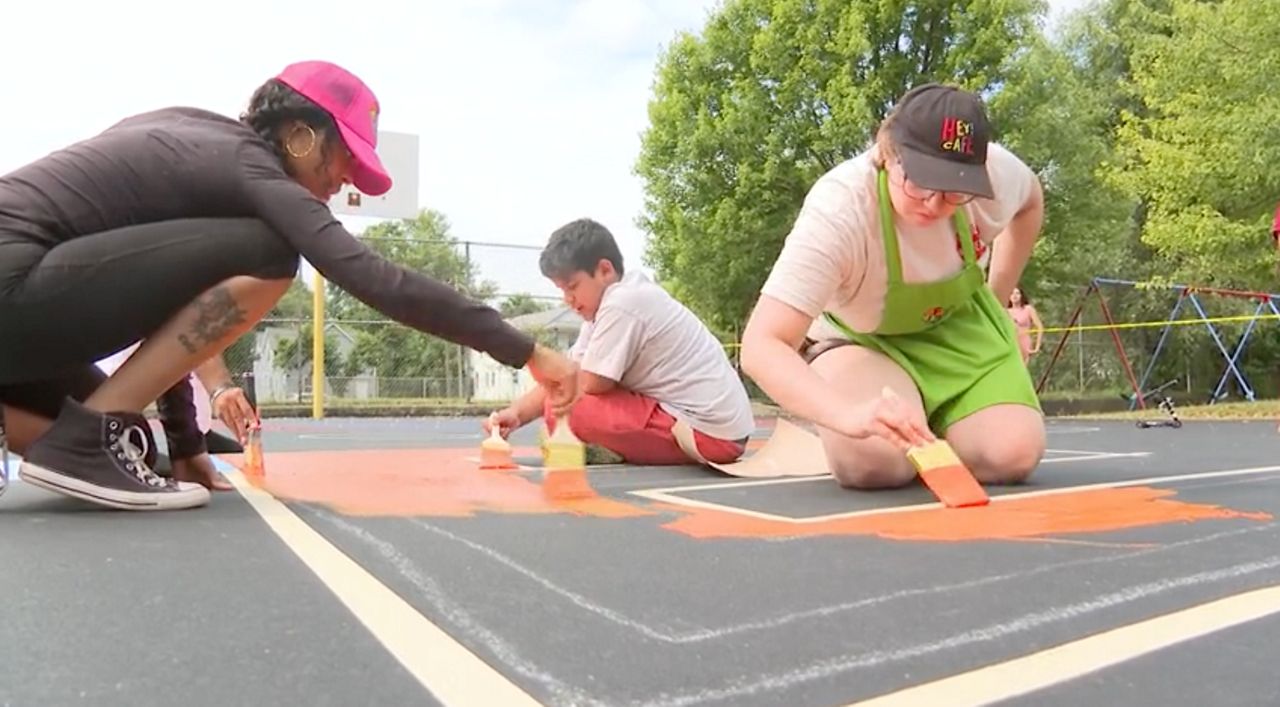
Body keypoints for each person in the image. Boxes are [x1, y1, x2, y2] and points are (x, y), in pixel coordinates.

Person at [0, 60, 577, 511]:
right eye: (345, 156)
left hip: (22, 306)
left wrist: (184, 444)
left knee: (127, 449)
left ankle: (53, 434)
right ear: (301, 135)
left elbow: (162, 302)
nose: (346, 180)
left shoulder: (193, 137)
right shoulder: (246, 164)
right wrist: (526, 349)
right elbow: (364, 273)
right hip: (14, 282)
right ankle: (84, 440)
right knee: (273, 254)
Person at [740, 83, 1046, 490]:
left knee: (1012, 455)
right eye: (920, 182)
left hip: (956, 326)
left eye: (954, 189)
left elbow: (1031, 201)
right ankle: (871, 427)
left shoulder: (993, 176)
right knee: (875, 464)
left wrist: (996, 299)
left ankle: (937, 420)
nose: (934, 204)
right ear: (886, 154)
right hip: (861, 339)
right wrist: (848, 416)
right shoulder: (840, 209)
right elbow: (762, 345)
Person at [483, 219, 756, 466]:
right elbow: (566, 375)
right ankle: (603, 445)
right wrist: (516, 413)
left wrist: (556, 379)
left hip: (710, 436)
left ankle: (599, 446)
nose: (567, 299)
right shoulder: (606, 308)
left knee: (567, 407)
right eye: (562, 290)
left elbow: (590, 384)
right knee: (563, 397)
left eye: (573, 286)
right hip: (718, 431)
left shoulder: (622, 304)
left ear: (604, 270)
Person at [1006, 286, 1043, 364]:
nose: (1014, 296)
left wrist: (1037, 345)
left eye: (1017, 293)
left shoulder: (1028, 309)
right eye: (1012, 293)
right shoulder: (1006, 311)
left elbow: (1039, 326)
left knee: (1022, 369)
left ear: (1021, 296)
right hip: (1010, 342)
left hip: (1024, 343)